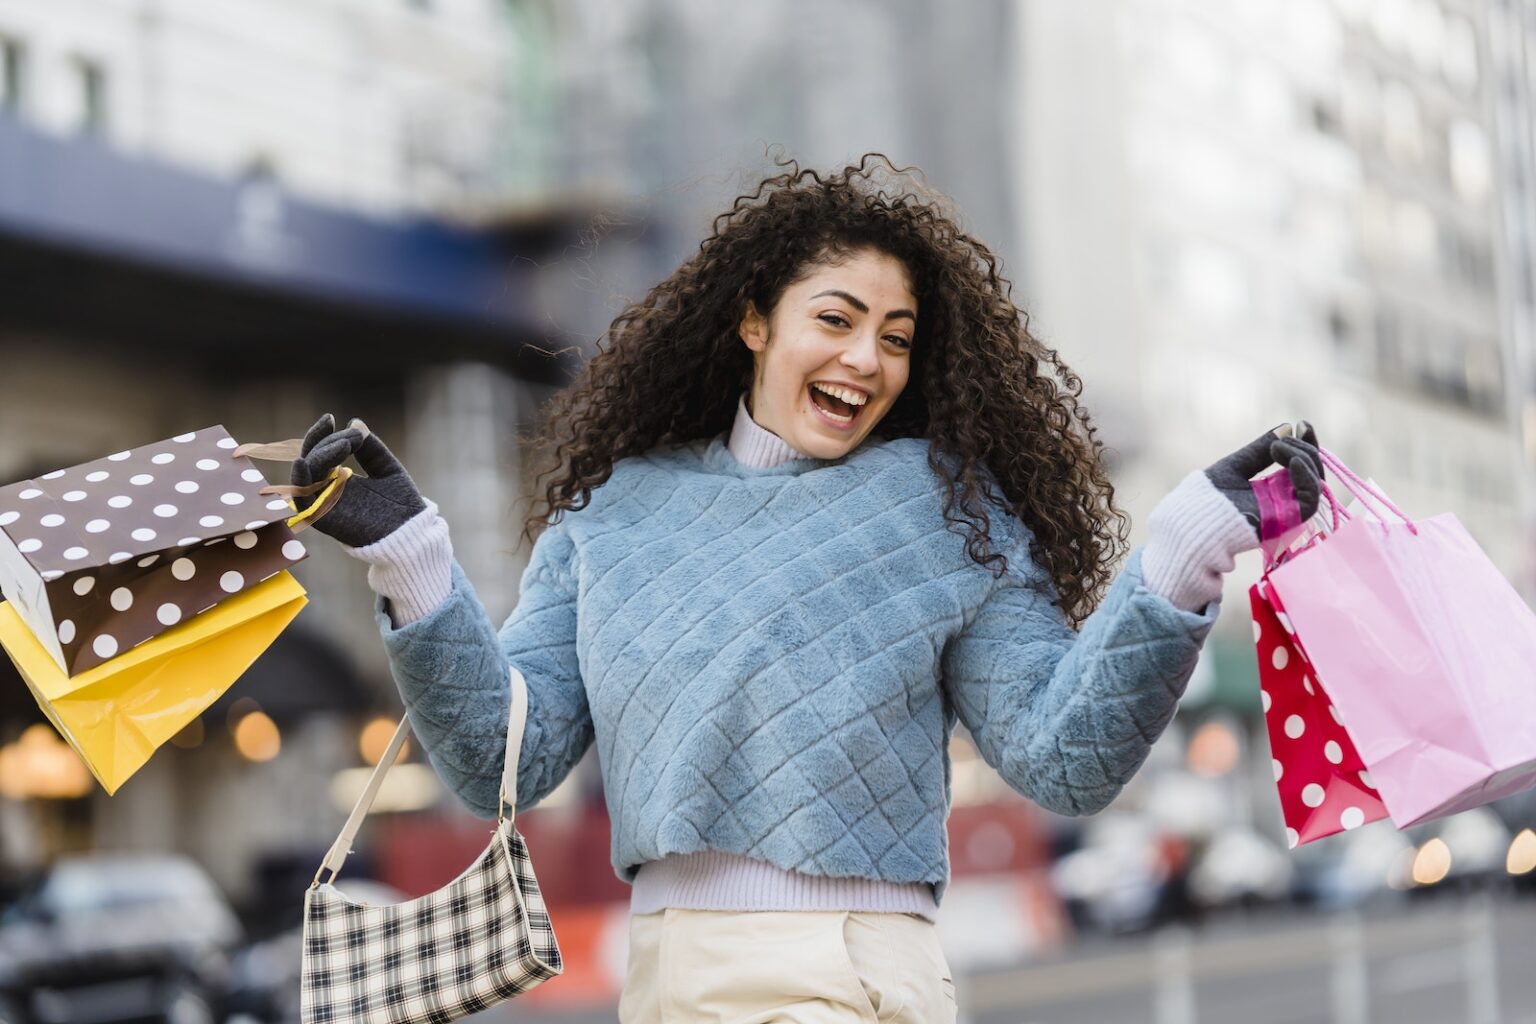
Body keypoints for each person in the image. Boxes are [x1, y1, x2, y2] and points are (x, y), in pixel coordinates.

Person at [292, 154, 1324, 1023]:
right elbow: (497, 764)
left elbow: (1064, 758)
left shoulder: (943, 509)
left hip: (860, 967)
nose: (865, 358)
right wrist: (411, 557)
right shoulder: (613, 516)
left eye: (896, 336)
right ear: (753, 322)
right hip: (672, 974)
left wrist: (1187, 548)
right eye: (836, 318)